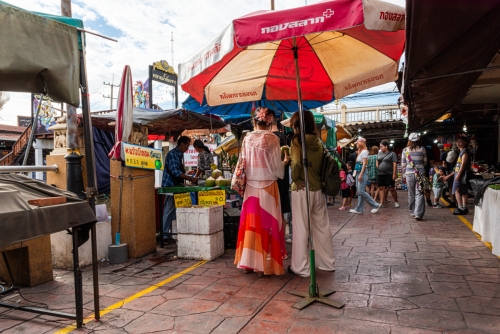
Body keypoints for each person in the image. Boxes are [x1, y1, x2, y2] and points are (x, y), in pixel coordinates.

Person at [234, 107, 288, 276]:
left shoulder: (247, 138)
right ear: (269, 120)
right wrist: (285, 162)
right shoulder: (272, 138)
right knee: (269, 224)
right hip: (268, 187)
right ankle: (266, 264)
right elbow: (278, 171)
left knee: (251, 224)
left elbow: (243, 162)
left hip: (251, 187)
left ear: (254, 121)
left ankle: (249, 262)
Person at [288, 110, 335, 277]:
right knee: (321, 227)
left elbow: (295, 164)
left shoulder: (297, 141)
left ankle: (301, 267)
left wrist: (295, 178)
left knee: (301, 228)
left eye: (293, 124)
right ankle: (327, 263)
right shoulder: (318, 141)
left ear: (297, 125)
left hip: (301, 189)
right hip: (318, 190)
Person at [161, 136, 198, 241]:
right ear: (181, 144)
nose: (187, 149)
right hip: (170, 185)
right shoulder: (173, 154)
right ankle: (164, 234)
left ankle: (171, 234)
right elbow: (176, 172)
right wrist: (190, 179)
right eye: (186, 146)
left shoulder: (180, 154)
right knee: (168, 210)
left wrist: (187, 176)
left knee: (174, 211)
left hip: (177, 185)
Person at [271, 114, 292, 253]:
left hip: (269, 181)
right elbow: (288, 160)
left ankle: (273, 240)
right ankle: (282, 239)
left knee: (272, 212)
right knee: (282, 212)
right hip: (283, 180)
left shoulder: (265, 139)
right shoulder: (284, 138)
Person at [350, 138, 381, 214]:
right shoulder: (361, 152)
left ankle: (375, 204)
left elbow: (364, 164)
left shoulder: (364, 152)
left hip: (362, 173)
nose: (356, 145)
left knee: (361, 191)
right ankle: (359, 208)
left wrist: (360, 174)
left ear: (361, 143)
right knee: (360, 191)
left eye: (357, 143)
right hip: (358, 172)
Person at [401, 133, 428, 221]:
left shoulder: (405, 150)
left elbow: (403, 164)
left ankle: (413, 211)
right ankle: (418, 214)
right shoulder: (422, 149)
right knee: (420, 193)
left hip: (409, 173)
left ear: (409, 141)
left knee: (411, 193)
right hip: (420, 173)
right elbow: (425, 162)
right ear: (418, 140)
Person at [444, 136, 471, 215]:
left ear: (465, 143)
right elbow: (457, 166)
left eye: (460, 142)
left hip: (461, 174)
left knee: (459, 190)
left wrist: (458, 174)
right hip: (458, 173)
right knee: (459, 190)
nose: (458, 143)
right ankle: (462, 207)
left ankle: (461, 207)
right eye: (457, 142)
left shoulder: (465, 152)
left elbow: (463, 165)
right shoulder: (461, 151)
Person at [377, 139, 399, 208]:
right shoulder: (379, 153)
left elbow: (394, 164)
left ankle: (396, 201)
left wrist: (394, 173)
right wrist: (378, 167)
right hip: (380, 173)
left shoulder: (392, 154)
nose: (380, 148)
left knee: (391, 188)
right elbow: (377, 160)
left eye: (381, 146)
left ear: (386, 146)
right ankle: (381, 202)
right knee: (381, 188)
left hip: (389, 173)